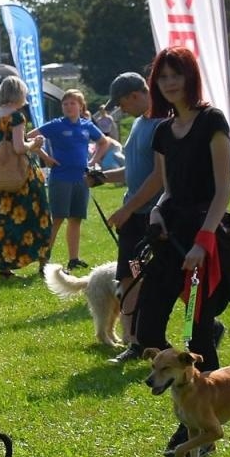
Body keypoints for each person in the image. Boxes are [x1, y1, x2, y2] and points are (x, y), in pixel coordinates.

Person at [109, 46, 230, 457]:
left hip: (204, 239)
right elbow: (165, 187)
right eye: (162, 77)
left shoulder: (212, 122)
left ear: (189, 78)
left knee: (198, 330)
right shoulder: (162, 131)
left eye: (175, 75)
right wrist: (151, 213)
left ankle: (201, 426)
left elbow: (225, 188)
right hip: (168, 239)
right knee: (145, 331)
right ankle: (187, 374)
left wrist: (203, 240)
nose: (168, 83)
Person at [90, 72, 161, 360]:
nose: (121, 110)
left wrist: (128, 209)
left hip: (147, 218)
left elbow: (158, 177)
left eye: (122, 103)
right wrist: (102, 178)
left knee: (151, 278)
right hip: (133, 220)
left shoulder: (159, 125)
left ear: (135, 95)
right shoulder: (139, 124)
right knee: (128, 278)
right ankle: (134, 342)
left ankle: (141, 340)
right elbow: (134, 171)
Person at [28, 89, 111, 271]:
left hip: (81, 179)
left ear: (81, 106)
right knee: (57, 219)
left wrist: (92, 162)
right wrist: (46, 158)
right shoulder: (56, 125)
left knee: (76, 219)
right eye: (65, 104)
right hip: (61, 178)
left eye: (72, 103)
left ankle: (73, 259)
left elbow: (104, 142)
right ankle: (44, 262)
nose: (68, 107)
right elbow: (29, 137)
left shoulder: (87, 126)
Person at [0, 76, 53, 279]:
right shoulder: (17, 117)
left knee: (4, 220)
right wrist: (34, 144)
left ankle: (5, 268)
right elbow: (18, 147)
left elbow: (5, 143)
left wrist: (26, 141)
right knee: (39, 217)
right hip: (23, 177)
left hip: (4, 176)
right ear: (19, 94)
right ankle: (43, 264)